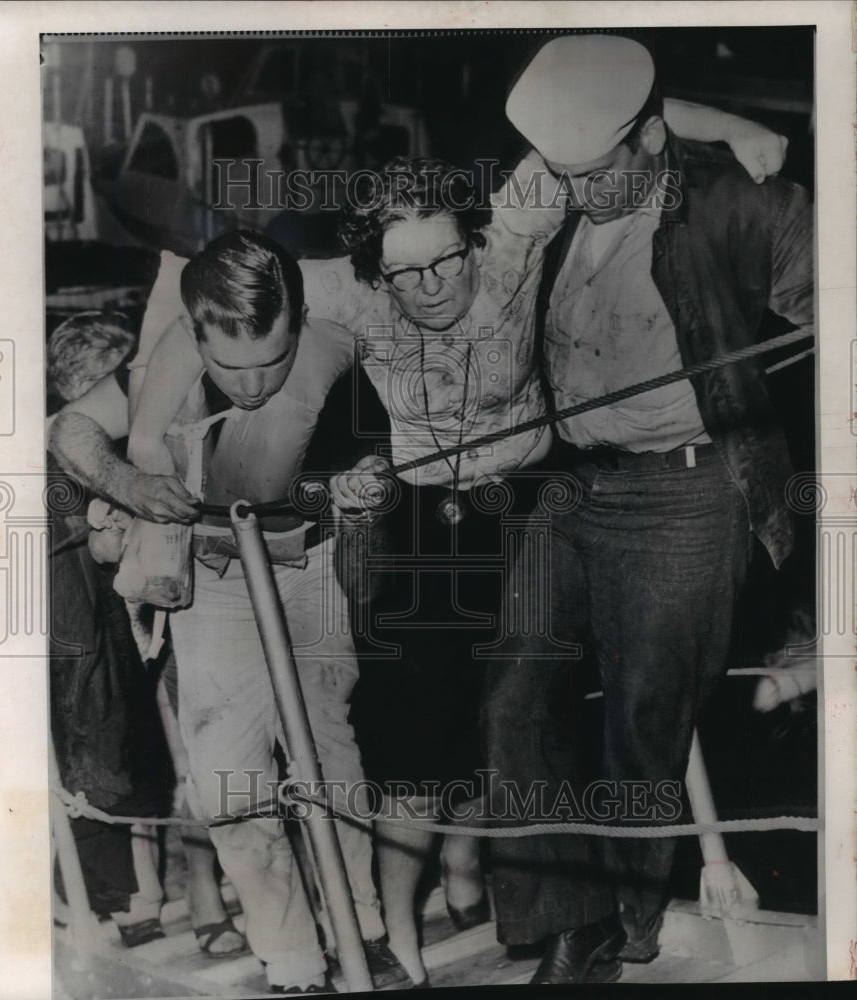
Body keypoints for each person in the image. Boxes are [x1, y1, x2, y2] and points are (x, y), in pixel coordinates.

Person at [130, 109, 789, 986]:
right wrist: (144, 455)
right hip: (414, 518)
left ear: (475, 240)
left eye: (445, 259)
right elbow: (200, 296)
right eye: (404, 272)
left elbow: (590, 116)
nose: (431, 283)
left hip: (532, 505)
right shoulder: (351, 288)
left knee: (544, 708)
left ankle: (546, 901)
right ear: (374, 270)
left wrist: (733, 129)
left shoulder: (511, 244)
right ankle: (394, 933)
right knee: (405, 733)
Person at [482, 33, 813, 984]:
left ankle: (610, 935)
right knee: (514, 690)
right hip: (573, 482)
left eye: (597, 175)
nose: (577, 192)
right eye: (563, 175)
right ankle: (559, 912)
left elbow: (830, 282)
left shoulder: (733, 201)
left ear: (651, 141)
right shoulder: (551, 178)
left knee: (645, 716)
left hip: (689, 488)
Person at [52, 231, 406, 994]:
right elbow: (68, 430)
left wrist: (371, 489)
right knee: (230, 784)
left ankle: (363, 932)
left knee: (329, 758)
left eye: (272, 363)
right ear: (196, 334)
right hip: (211, 584)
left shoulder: (339, 359)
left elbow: (380, 466)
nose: (251, 387)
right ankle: (292, 962)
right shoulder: (158, 368)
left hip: (307, 570)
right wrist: (128, 483)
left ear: (298, 323)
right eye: (229, 366)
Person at [46, 312, 247, 958]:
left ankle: (205, 893)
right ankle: (173, 894)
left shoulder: (147, 423)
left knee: (190, 753)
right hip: (129, 612)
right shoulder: (68, 449)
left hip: (175, 591)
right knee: (157, 753)